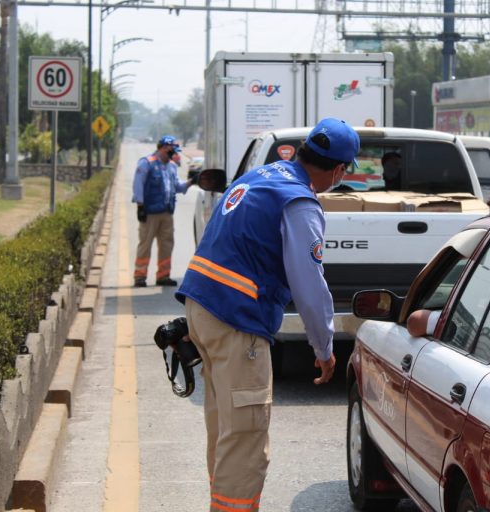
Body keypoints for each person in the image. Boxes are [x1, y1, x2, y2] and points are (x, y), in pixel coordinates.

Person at [174, 117, 359, 511]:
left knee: (225, 427)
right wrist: (324, 348)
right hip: (237, 321)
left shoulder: (260, 176)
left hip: (201, 308)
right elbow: (310, 287)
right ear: (340, 169)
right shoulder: (299, 201)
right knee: (245, 438)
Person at [132, 135, 193, 287]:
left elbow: (177, 186)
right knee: (145, 244)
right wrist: (140, 206)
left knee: (167, 245)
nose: (174, 154)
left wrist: (192, 182)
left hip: (167, 213)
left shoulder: (171, 166)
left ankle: (163, 276)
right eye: (172, 151)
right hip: (150, 212)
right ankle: (140, 276)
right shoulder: (147, 163)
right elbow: (138, 184)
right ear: (164, 148)